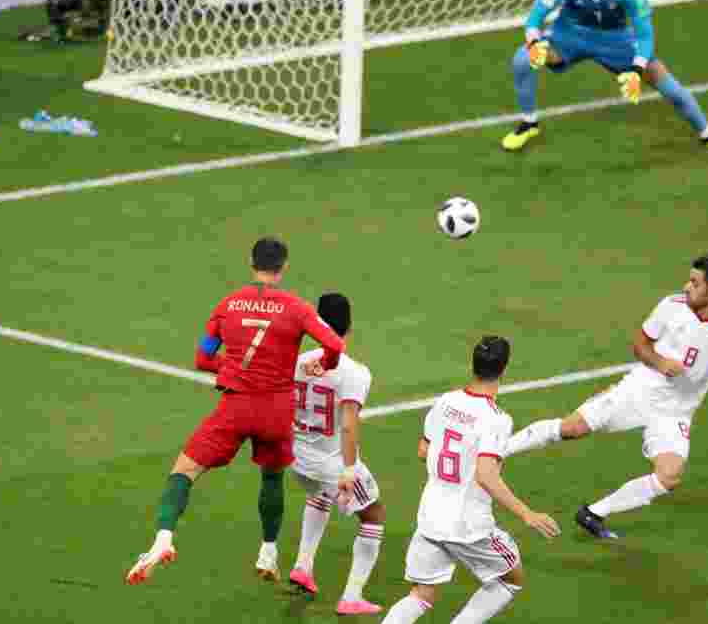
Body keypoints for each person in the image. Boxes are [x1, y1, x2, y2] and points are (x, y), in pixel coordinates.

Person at [503, 255, 708, 539]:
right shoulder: (672, 306)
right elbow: (640, 344)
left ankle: (593, 513)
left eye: (695, 283)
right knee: (570, 428)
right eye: (689, 280)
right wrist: (660, 363)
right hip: (639, 391)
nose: (687, 287)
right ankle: (496, 452)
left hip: (675, 413)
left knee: (669, 476)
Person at [126, 237, 346, 584]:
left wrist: (227, 369)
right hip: (276, 413)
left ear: (250, 262)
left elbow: (202, 356)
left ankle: (163, 538)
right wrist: (326, 363)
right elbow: (334, 343)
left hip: (236, 407)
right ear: (284, 266)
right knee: (272, 476)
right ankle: (269, 550)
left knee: (184, 469)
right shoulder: (297, 307)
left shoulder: (228, 304)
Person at [502, 0, 708, 153]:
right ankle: (529, 123)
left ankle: (707, 134)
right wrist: (533, 44)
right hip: (569, 36)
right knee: (522, 59)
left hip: (615, 41)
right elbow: (534, 20)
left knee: (664, 81)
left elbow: (645, 36)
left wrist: (636, 69)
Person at [381, 336, 560, 624]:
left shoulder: (445, 401)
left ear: (473, 365)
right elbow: (486, 475)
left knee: (421, 595)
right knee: (510, 578)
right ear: (504, 369)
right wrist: (527, 514)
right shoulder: (496, 419)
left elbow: (423, 450)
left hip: (430, 517)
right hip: (469, 525)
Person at [288, 293, 386, 615]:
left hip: (298, 457)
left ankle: (303, 565)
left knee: (319, 495)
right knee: (373, 515)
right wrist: (348, 468)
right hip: (332, 463)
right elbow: (348, 423)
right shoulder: (354, 372)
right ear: (349, 326)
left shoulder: (298, 362)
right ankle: (351, 597)